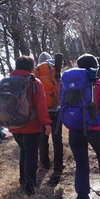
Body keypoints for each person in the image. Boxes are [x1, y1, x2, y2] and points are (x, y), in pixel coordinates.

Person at [60, 54, 100, 199]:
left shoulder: (67, 83)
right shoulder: (99, 83)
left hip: (75, 128)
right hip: (96, 128)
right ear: (94, 67)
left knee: (81, 164)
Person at [0, 56, 52, 195]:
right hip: (32, 125)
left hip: (13, 124)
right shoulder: (34, 82)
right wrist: (47, 123)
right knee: (31, 154)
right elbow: (41, 105)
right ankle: (30, 186)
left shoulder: (6, 82)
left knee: (24, 151)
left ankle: (22, 180)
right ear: (31, 67)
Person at [35, 52, 64, 184]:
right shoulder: (55, 71)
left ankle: (45, 164)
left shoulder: (36, 73)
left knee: (42, 139)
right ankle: (58, 167)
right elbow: (62, 88)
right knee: (57, 139)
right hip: (56, 111)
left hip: (41, 113)